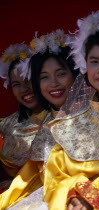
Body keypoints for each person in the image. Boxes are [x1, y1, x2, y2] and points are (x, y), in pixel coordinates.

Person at [43, 12, 99, 210]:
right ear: (85, 65)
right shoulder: (69, 126)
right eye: (94, 61)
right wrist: (74, 196)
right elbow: (55, 177)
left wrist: (93, 198)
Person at [0, 29, 80, 210]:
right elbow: (28, 177)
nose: (53, 83)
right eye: (44, 77)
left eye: (60, 74)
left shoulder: (95, 115)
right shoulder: (50, 121)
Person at [0, 43, 47, 192]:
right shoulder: (6, 124)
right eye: (16, 84)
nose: (24, 89)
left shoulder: (60, 117)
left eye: (28, 80)